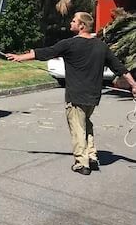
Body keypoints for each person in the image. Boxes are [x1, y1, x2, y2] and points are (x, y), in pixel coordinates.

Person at [7, 11, 136, 176]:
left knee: (77, 128)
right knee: (86, 124)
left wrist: (19, 57)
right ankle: (92, 156)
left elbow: (44, 52)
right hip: (93, 97)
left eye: (74, 21)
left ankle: (82, 163)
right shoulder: (101, 46)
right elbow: (120, 67)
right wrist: (133, 85)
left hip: (76, 96)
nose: (71, 23)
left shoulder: (69, 44)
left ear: (82, 26)